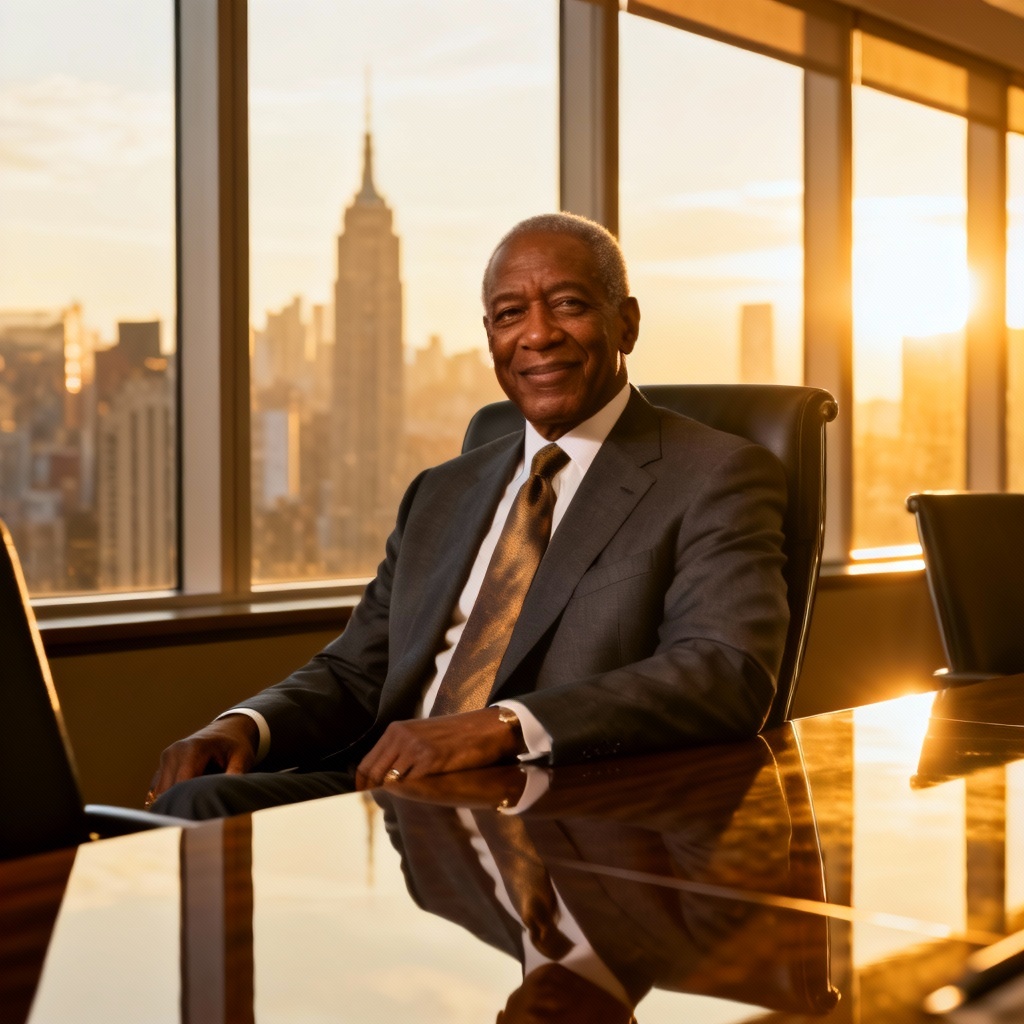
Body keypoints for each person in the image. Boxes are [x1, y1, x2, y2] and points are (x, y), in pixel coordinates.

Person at [148, 212, 789, 819]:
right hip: (383, 789)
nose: (537, 334)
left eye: (568, 304)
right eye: (511, 315)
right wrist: (244, 725)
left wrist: (503, 726)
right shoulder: (441, 491)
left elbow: (722, 670)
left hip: (547, 798)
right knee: (195, 805)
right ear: (491, 339)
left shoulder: (714, 474)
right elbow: (356, 670)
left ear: (625, 324)